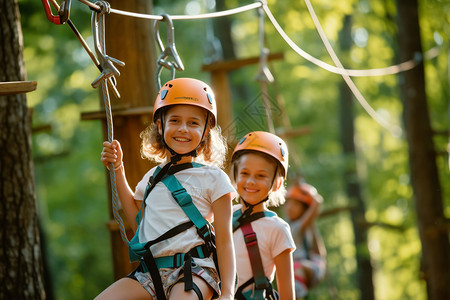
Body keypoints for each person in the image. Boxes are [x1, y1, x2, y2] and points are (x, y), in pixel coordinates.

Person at [97, 78, 236, 300]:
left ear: (206, 130)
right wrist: (118, 169)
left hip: (193, 269)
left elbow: (225, 240)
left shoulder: (215, 178)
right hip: (150, 273)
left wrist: (228, 292)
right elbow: (139, 224)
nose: (183, 129)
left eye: (193, 123)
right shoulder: (151, 179)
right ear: (160, 125)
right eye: (175, 120)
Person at [230, 131, 296, 300]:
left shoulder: (277, 229)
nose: (251, 181)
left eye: (261, 176)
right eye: (245, 173)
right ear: (236, 175)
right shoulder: (224, 214)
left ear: (277, 183)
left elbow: (287, 295)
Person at [283, 182, 326, 299]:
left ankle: (298, 294)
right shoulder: (285, 225)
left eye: (295, 205)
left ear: (304, 210)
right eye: (288, 204)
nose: (290, 208)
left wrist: (307, 190)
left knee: (295, 268)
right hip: (296, 268)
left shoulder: (302, 225)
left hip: (309, 266)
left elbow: (317, 203)